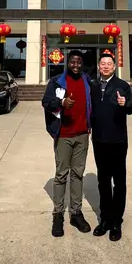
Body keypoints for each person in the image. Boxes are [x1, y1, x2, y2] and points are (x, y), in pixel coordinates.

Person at [41, 50, 93, 238]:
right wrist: (61, 102)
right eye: (72, 61)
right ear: (67, 63)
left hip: (82, 135)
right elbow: (45, 101)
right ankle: (58, 214)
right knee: (61, 175)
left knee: (78, 174)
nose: (76, 65)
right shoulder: (57, 81)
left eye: (79, 62)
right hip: (63, 135)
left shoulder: (88, 81)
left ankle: (76, 213)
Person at [90, 52, 132, 241]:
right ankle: (105, 219)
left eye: (109, 63)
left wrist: (125, 104)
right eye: (103, 63)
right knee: (103, 181)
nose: (106, 66)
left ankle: (117, 221)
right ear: (99, 66)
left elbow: (131, 108)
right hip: (99, 140)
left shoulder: (122, 86)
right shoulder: (92, 85)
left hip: (117, 141)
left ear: (114, 67)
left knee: (119, 182)